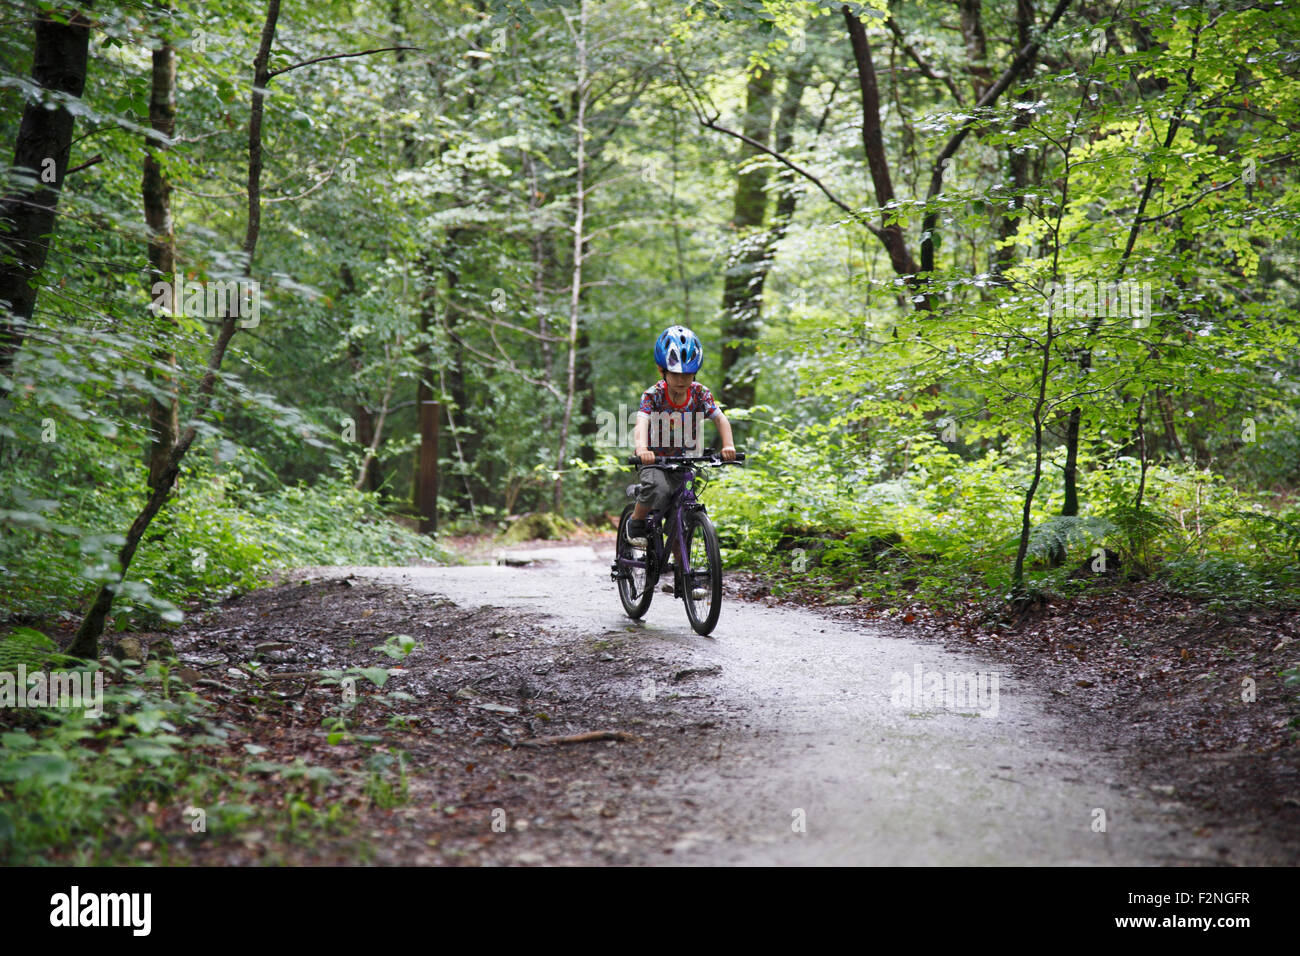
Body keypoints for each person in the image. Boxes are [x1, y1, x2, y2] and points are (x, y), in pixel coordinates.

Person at [625, 325, 736, 543]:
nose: (681, 380)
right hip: (655, 459)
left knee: (681, 512)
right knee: (658, 487)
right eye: (675, 374)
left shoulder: (700, 394)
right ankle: (636, 521)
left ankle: (681, 570)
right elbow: (642, 421)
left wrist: (728, 445)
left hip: (685, 460)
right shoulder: (653, 395)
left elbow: (720, 419)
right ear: (662, 370)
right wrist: (642, 449)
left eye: (687, 374)